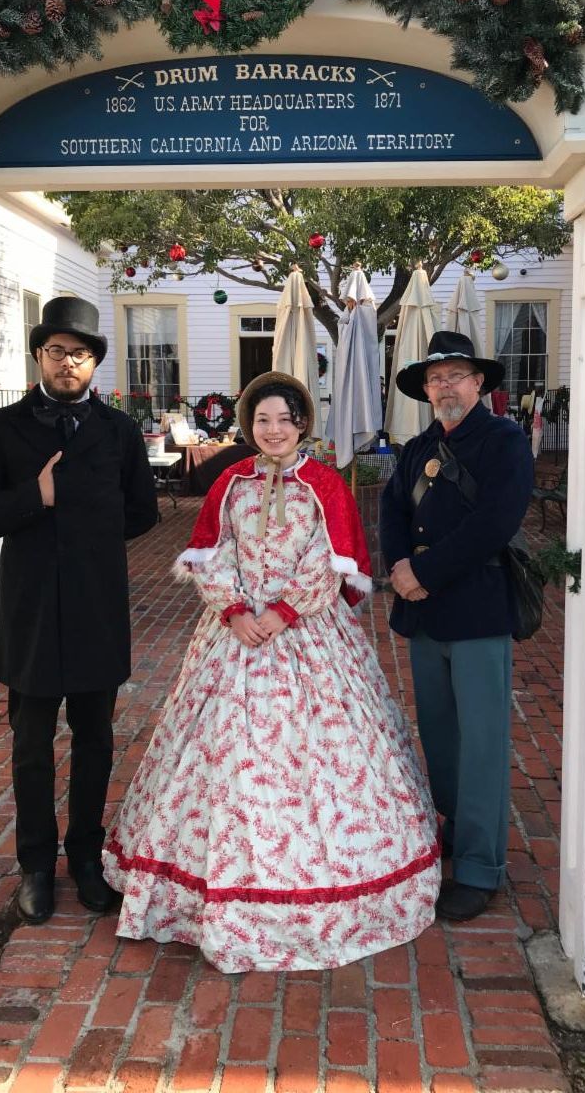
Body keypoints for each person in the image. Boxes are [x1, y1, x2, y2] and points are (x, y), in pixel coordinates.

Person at [103, 371, 440, 972]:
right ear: (249, 425)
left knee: (328, 755)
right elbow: (211, 553)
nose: (274, 429)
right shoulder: (231, 482)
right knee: (221, 748)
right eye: (263, 420)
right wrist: (234, 610)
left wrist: (282, 612)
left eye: (285, 419)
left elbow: (331, 561)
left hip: (308, 634)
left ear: (302, 423)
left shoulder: (325, 484)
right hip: (233, 634)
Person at [0, 296, 158, 925]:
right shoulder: (2, 428)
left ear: (94, 362)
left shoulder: (119, 430)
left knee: (95, 740)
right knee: (31, 746)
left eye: (81, 353)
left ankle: (87, 859)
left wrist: (86, 530)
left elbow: (142, 512)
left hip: (97, 606)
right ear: (40, 356)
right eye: (58, 351)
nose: (69, 362)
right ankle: (36, 865)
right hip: (32, 611)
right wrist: (34, 498)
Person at [380, 331, 533, 922]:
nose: (445, 385)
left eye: (456, 375)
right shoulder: (418, 447)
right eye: (436, 377)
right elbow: (393, 509)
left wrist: (422, 572)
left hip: (476, 613)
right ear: (425, 389)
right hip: (425, 614)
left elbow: (495, 523)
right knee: (441, 737)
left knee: (482, 743)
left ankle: (478, 865)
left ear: (479, 383)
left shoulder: (504, 441)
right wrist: (400, 567)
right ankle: (454, 824)